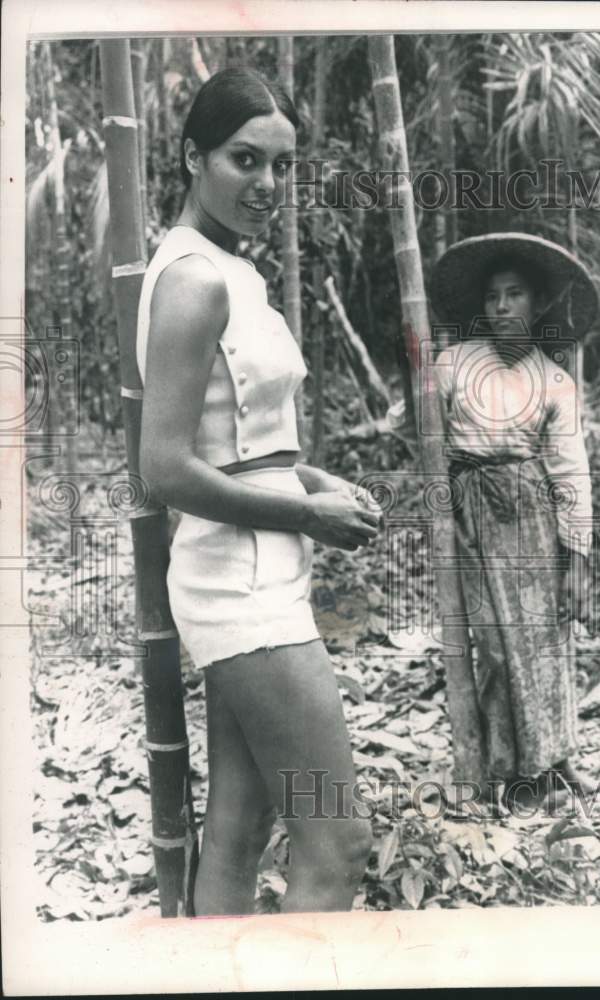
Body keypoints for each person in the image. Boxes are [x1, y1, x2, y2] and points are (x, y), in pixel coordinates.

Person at [136, 68, 380, 915]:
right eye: (245, 159)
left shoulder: (231, 269)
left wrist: (309, 477)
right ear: (192, 157)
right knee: (338, 839)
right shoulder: (194, 280)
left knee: (239, 828)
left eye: (282, 165)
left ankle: (214, 967)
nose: (268, 184)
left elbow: (235, 447)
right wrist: (307, 511)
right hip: (238, 587)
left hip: (260, 567)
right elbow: (164, 467)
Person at [428, 232, 600, 809]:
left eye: (515, 295)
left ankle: (557, 758)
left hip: (533, 512)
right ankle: (508, 769)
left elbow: (570, 470)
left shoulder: (554, 380)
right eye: (493, 296)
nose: (502, 307)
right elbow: (418, 430)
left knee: (547, 639)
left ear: (538, 303)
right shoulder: (453, 364)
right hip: (472, 512)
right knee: (496, 645)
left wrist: (576, 556)